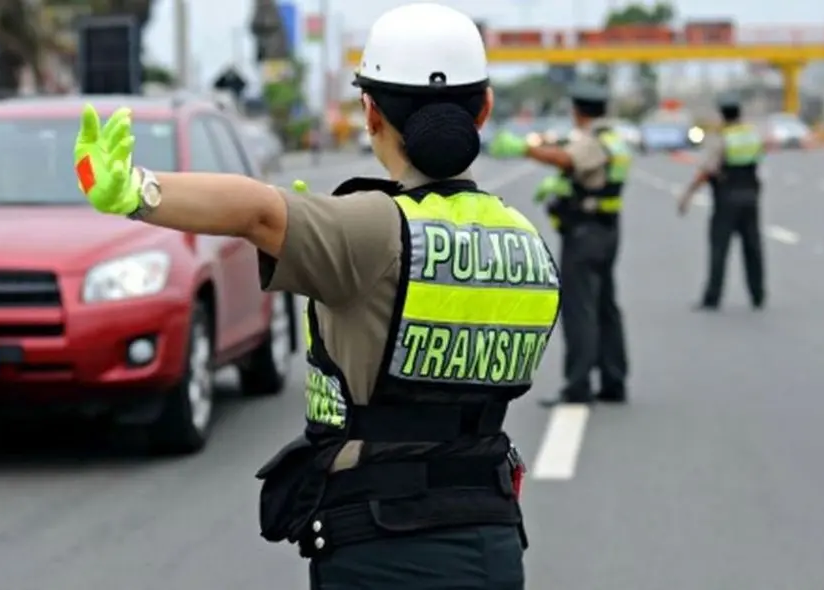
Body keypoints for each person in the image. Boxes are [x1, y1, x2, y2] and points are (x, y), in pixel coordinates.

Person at [72, 4, 560, 588]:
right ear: (483, 109)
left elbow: (254, 210)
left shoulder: (371, 231)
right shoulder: (527, 242)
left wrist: (135, 189)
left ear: (371, 112)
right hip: (493, 539)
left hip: (381, 549)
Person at [501, 80, 630, 405]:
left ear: (577, 110)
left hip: (585, 233)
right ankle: (614, 381)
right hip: (607, 230)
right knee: (605, 307)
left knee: (580, 309)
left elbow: (565, 160)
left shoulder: (592, 141)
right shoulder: (614, 139)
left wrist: (524, 149)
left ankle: (578, 385)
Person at [678, 92, 766, 310]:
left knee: (719, 248)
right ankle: (758, 294)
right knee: (753, 248)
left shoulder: (722, 139)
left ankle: (713, 296)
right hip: (751, 198)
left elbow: (707, 171)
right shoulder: (751, 136)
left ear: (722, 115)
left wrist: (688, 194)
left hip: (727, 199)